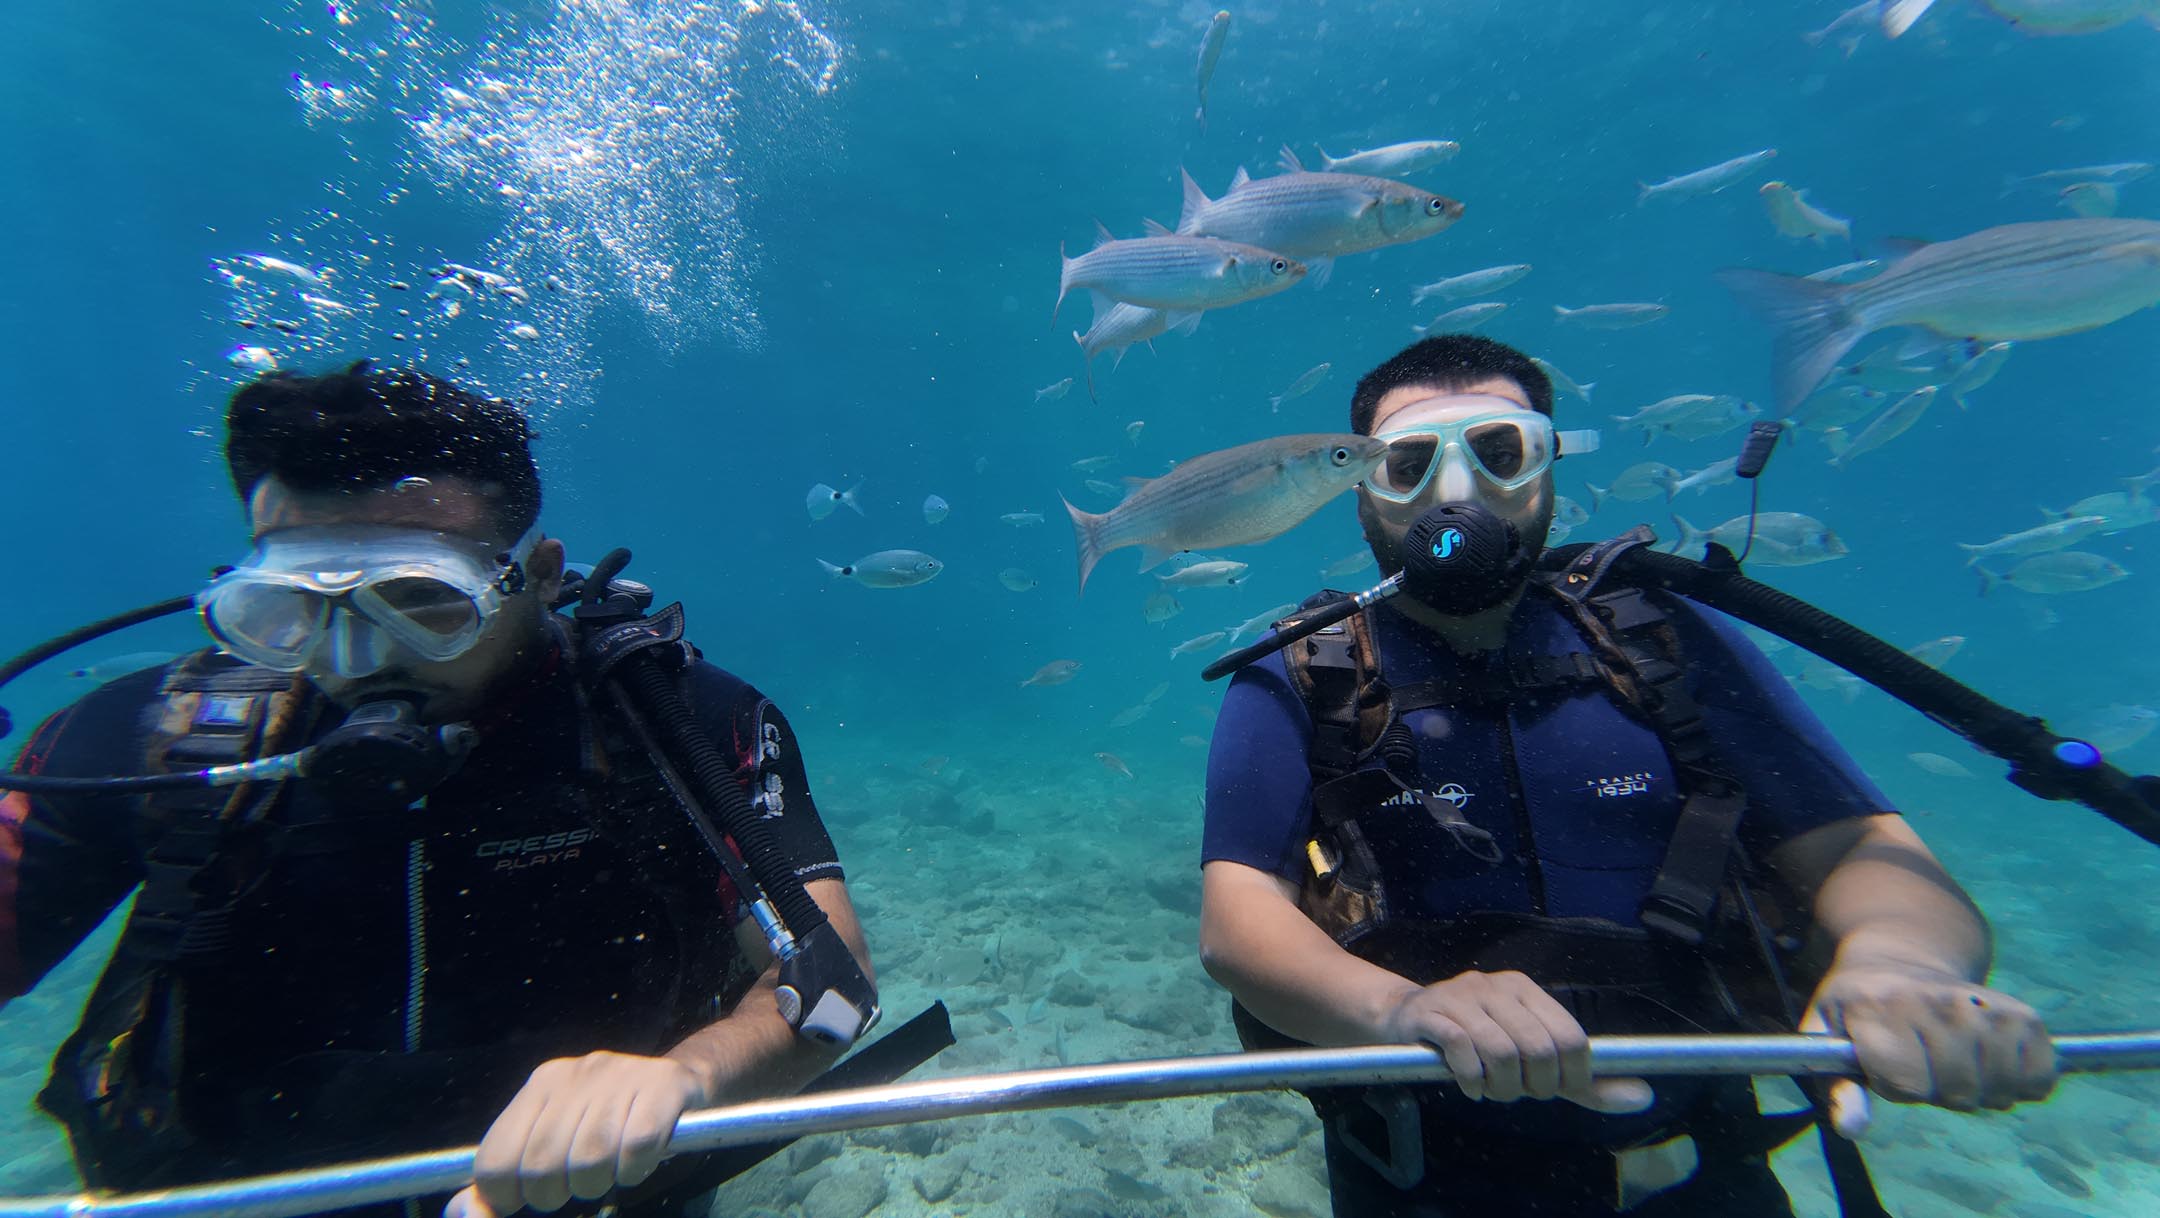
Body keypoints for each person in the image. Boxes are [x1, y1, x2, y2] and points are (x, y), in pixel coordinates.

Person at [1197, 334, 2059, 1217]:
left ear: (1549, 468)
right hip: (1420, 1169)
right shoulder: (1305, 669)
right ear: (1363, 492)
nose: (1457, 491)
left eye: (1501, 451)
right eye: (1408, 464)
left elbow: (1860, 849)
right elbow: (1239, 917)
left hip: (1705, 1156)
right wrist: (1398, 1012)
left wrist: (1901, 962)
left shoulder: (1660, 636)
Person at [0, 361, 874, 1218]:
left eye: (421, 600)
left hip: (597, 1201)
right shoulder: (163, 737)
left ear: (538, 574)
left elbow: (835, 988)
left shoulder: (671, 722)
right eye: (295, 607)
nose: (356, 659)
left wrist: (687, 1077)